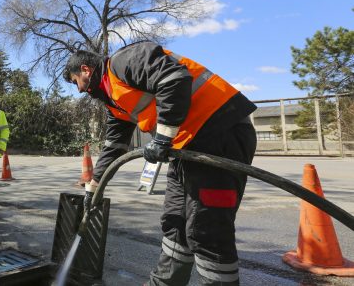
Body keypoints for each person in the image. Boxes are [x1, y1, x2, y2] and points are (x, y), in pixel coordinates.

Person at [63, 42, 257, 286]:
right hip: (186, 146)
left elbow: (175, 78)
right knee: (175, 220)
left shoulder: (123, 62)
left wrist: (162, 137)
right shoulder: (113, 100)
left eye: (75, 81)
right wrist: (94, 189)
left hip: (220, 132)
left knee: (207, 229)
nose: (78, 90)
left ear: (85, 70)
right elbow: (114, 146)